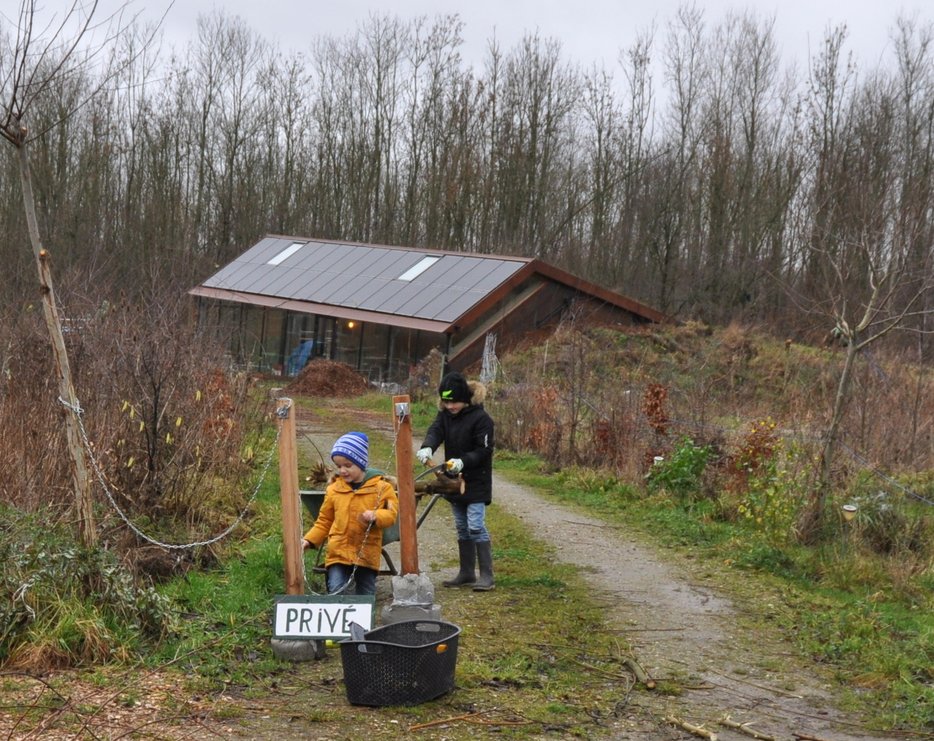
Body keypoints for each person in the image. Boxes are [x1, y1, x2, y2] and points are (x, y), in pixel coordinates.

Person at [416, 371, 496, 591]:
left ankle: (487, 576)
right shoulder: (445, 416)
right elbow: (435, 431)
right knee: (462, 527)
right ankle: (467, 572)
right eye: (446, 402)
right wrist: (427, 447)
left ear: (465, 398)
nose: (450, 406)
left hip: (476, 482)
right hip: (453, 482)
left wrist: (463, 461)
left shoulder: (482, 419)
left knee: (476, 525)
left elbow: (484, 450)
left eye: (454, 402)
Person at [302, 432, 399, 596]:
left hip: (366, 553)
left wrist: (376, 515)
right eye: (339, 466)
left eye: (347, 465)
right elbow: (324, 521)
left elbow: (391, 514)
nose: (342, 471)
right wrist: (309, 540)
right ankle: (338, 620)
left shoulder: (382, 488)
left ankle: (365, 621)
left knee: (366, 595)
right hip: (338, 552)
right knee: (337, 589)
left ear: (361, 463)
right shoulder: (334, 490)